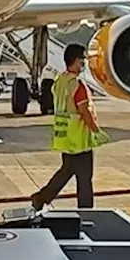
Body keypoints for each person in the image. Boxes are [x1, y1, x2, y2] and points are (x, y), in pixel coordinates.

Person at [30, 43, 109, 210]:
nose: (84, 64)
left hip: (65, 136)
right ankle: (86, 211)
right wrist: (96, 131)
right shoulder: (77, 84)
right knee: (85, 178)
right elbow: (84, 111)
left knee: (66, 171)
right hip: (79, 139)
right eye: (82, 61)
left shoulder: (60, 81)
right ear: (74, 61)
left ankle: (42, 197)